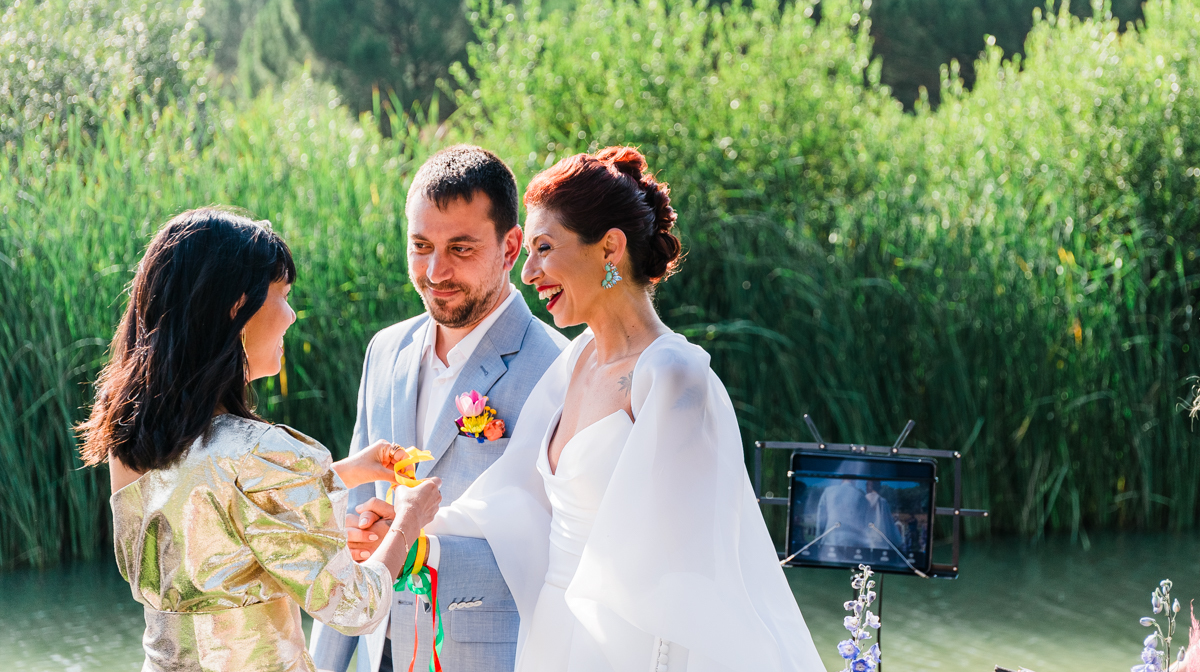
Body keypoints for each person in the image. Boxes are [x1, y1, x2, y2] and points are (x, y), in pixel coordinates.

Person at [367, 147, 826, 671]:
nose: (529, 271)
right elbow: (515, 497)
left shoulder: (673, 375)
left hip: (625, 645)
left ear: (609, 247)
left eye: (544, 248)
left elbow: (684, 565)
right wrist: (413, 531)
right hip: (551, 636)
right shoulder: (576, 360)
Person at [77, 208, 442, 672]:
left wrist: (346, 472)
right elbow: (355, 607)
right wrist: (408, 521)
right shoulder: (260, 451)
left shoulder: (130, 436)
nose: (291, 316)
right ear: (236, 307)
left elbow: (207, 505)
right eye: (283, 296)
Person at [310, 146, 568, 672]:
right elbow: (352, 517)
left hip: (490, 657)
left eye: (461, 249)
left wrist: (418, 550)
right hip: (376, 643)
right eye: (421, 245)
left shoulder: (558, 368)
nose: (435, 270)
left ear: (510, 247)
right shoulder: (385, 350)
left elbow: (558, 553)